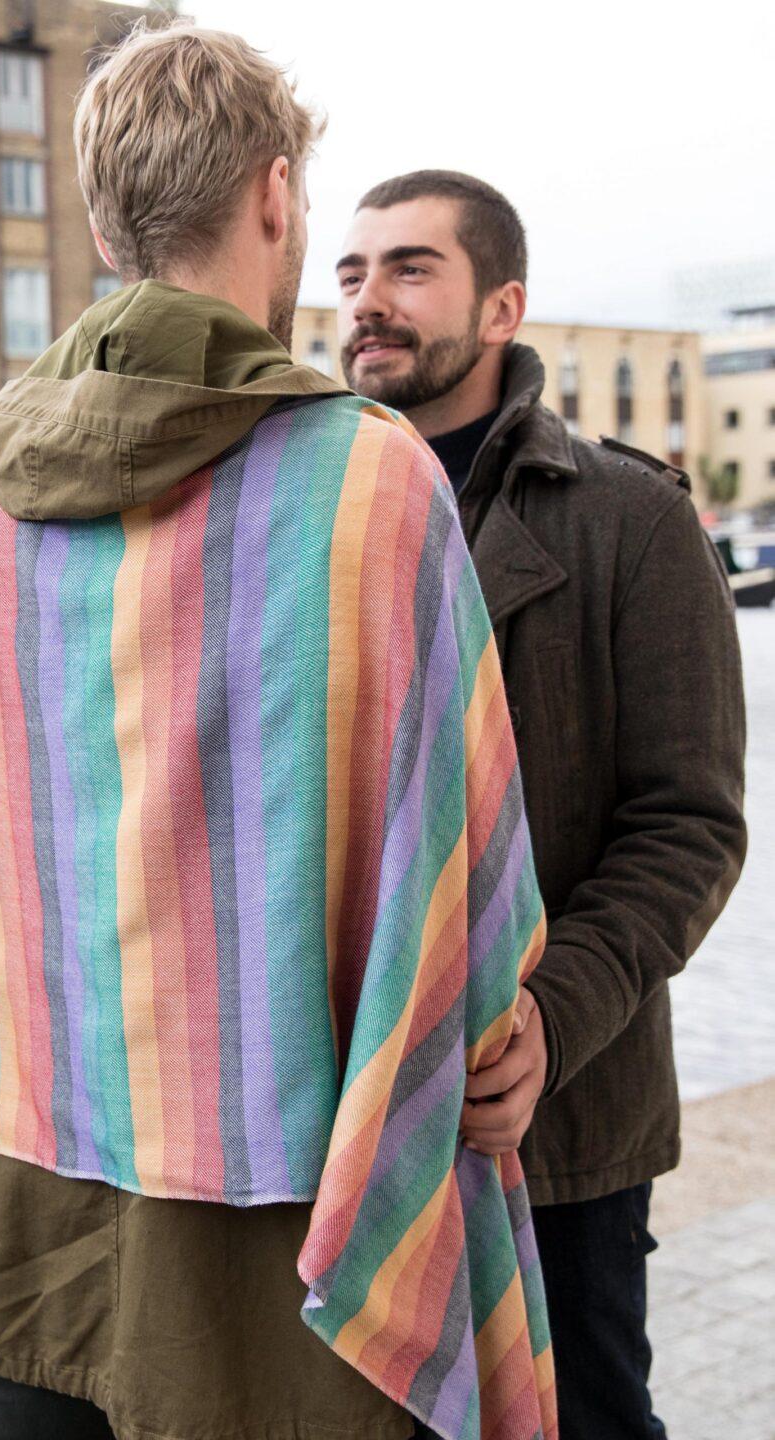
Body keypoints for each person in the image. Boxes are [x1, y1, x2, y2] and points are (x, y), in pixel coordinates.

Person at [0, 33, 557, 1440]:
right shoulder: (370, 488)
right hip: (274, 1262)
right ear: (275, 198)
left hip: (13, 1219)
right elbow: (458, 889)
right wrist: (492, 1033)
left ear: (99, 227)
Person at [336, 169, 747, 1440]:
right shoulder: (308, 509)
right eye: (350, 275)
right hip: (348, 1125)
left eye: (409, 270)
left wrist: (550, 1023)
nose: (367, 302)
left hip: (561, 1126)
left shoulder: (632, 517)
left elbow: (689, 824)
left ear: (503, 304)